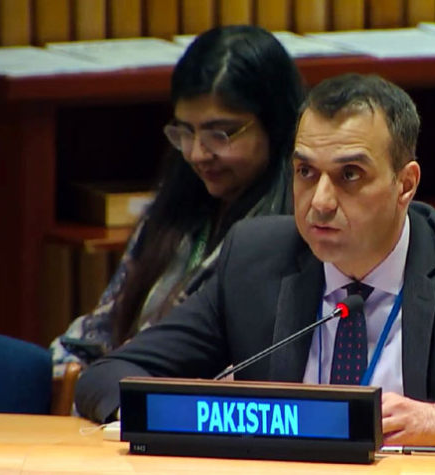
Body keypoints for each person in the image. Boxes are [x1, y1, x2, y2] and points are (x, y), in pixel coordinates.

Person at [75, 74, 435, 446]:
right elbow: (107, 377)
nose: (320, 201)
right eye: (305, 172)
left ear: (406, 184)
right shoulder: (255, 259)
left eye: (350, 175)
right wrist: (195, 411)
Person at [50, 25, 304, 374]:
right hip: (119, 388)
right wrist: (64, 369)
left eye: (221, 133)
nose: (197, 153)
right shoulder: (176, 207)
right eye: (185, 131)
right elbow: (101, 329)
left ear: (275, 125)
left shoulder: (287, 235)